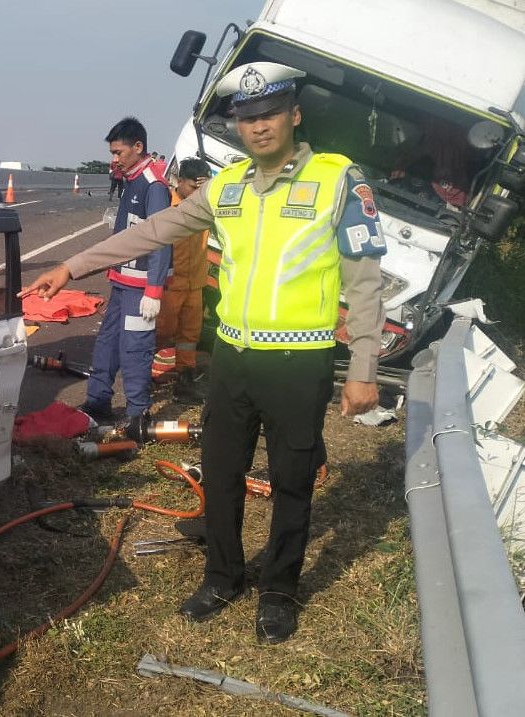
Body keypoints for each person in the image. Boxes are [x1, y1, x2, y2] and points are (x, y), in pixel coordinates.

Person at [20, 62, 386, 644]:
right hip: (233, 360)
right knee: (220, 473)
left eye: (269, 115)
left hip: (301, 362)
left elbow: (366, 282)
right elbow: (153, 230)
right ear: (237, 126)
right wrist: (73, 265)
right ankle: (223, 577)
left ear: (294, 116)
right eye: (247, 118)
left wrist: (363, 369)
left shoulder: (338, 180)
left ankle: (279, 591)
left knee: (292, 480)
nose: (259, 127)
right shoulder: (229, 185)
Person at [80, 117, 172, 422]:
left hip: (140, 288)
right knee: (107, 344)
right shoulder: (132, 179)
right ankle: (97, 402)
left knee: (135, 350)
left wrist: (154, 291)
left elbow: (161, 239)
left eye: (119, 152)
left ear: (138, 147)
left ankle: (137, 415)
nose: (114, 159)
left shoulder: (153, 185)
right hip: (122, 282)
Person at [155, 157, 212, 403]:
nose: (195, 193)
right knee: (161, 330)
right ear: (179, 182)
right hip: (171, 282)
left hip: (195, 282)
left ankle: (185, 378)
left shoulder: (207, 205)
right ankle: (140, 372)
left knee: (190, 335)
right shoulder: (164, 204)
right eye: (192, 187)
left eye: (201, 188)